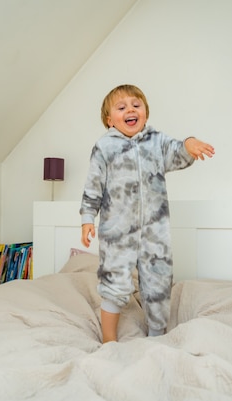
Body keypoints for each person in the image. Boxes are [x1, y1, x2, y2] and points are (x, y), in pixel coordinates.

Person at [80, 84, 215, 343]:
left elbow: (177, 152)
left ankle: (156, 336)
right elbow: (93, 186)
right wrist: (87, 219)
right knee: (114, 282)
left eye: (136, 105)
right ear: (110, 120)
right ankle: (109, 339)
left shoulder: (156, 142)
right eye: (121, 107)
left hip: (155, 232)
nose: (130, 109)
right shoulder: (104, 147)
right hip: (117, 233)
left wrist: (189, 144)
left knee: (158, 284)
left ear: (145, 113)